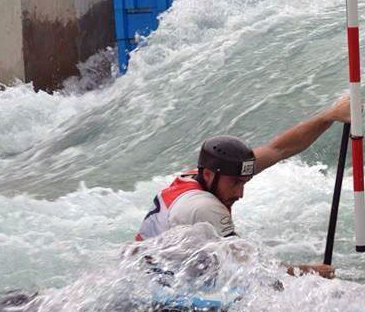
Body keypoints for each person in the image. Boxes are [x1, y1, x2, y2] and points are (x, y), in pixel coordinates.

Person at [135, 96, 352, 278]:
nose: (240, 193)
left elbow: (280, 149)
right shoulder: (203, 206)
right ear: (209, 175)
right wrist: (310, 272)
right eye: (236, 183)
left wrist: (330, 116)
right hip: (156, 284)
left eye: (244, 182)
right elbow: (254, 268)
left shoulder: (207, 174)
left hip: (159, 265)